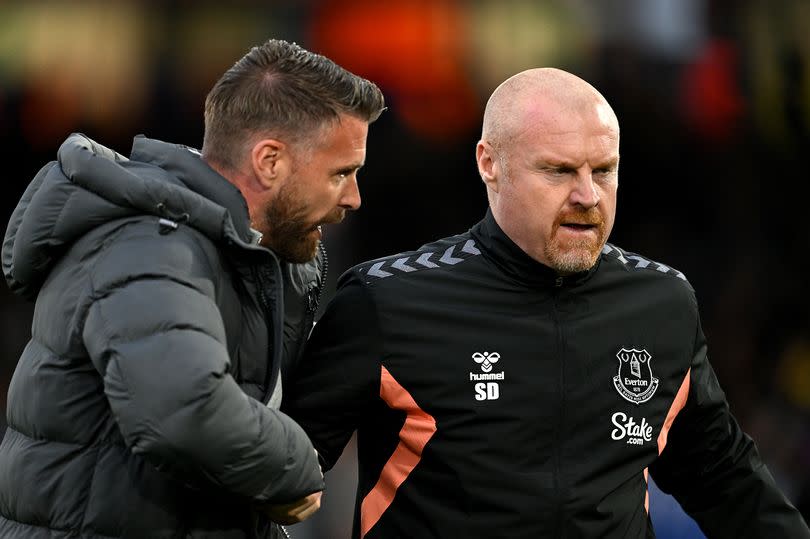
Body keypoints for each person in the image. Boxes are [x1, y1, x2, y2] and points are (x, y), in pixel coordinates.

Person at [283, 68, 810, 538]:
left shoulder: (662, 303)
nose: (588, 196)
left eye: (604, 170)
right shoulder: (385, 301)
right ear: (490, 164)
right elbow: (277, 472)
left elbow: (722, 477)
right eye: (559, 171)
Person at [0, 39, 384, 538]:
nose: (354, 198)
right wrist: (294, 467)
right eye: (342, 173)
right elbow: (184, 412)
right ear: (270, 161)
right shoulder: (148, 245)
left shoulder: (248, 254)